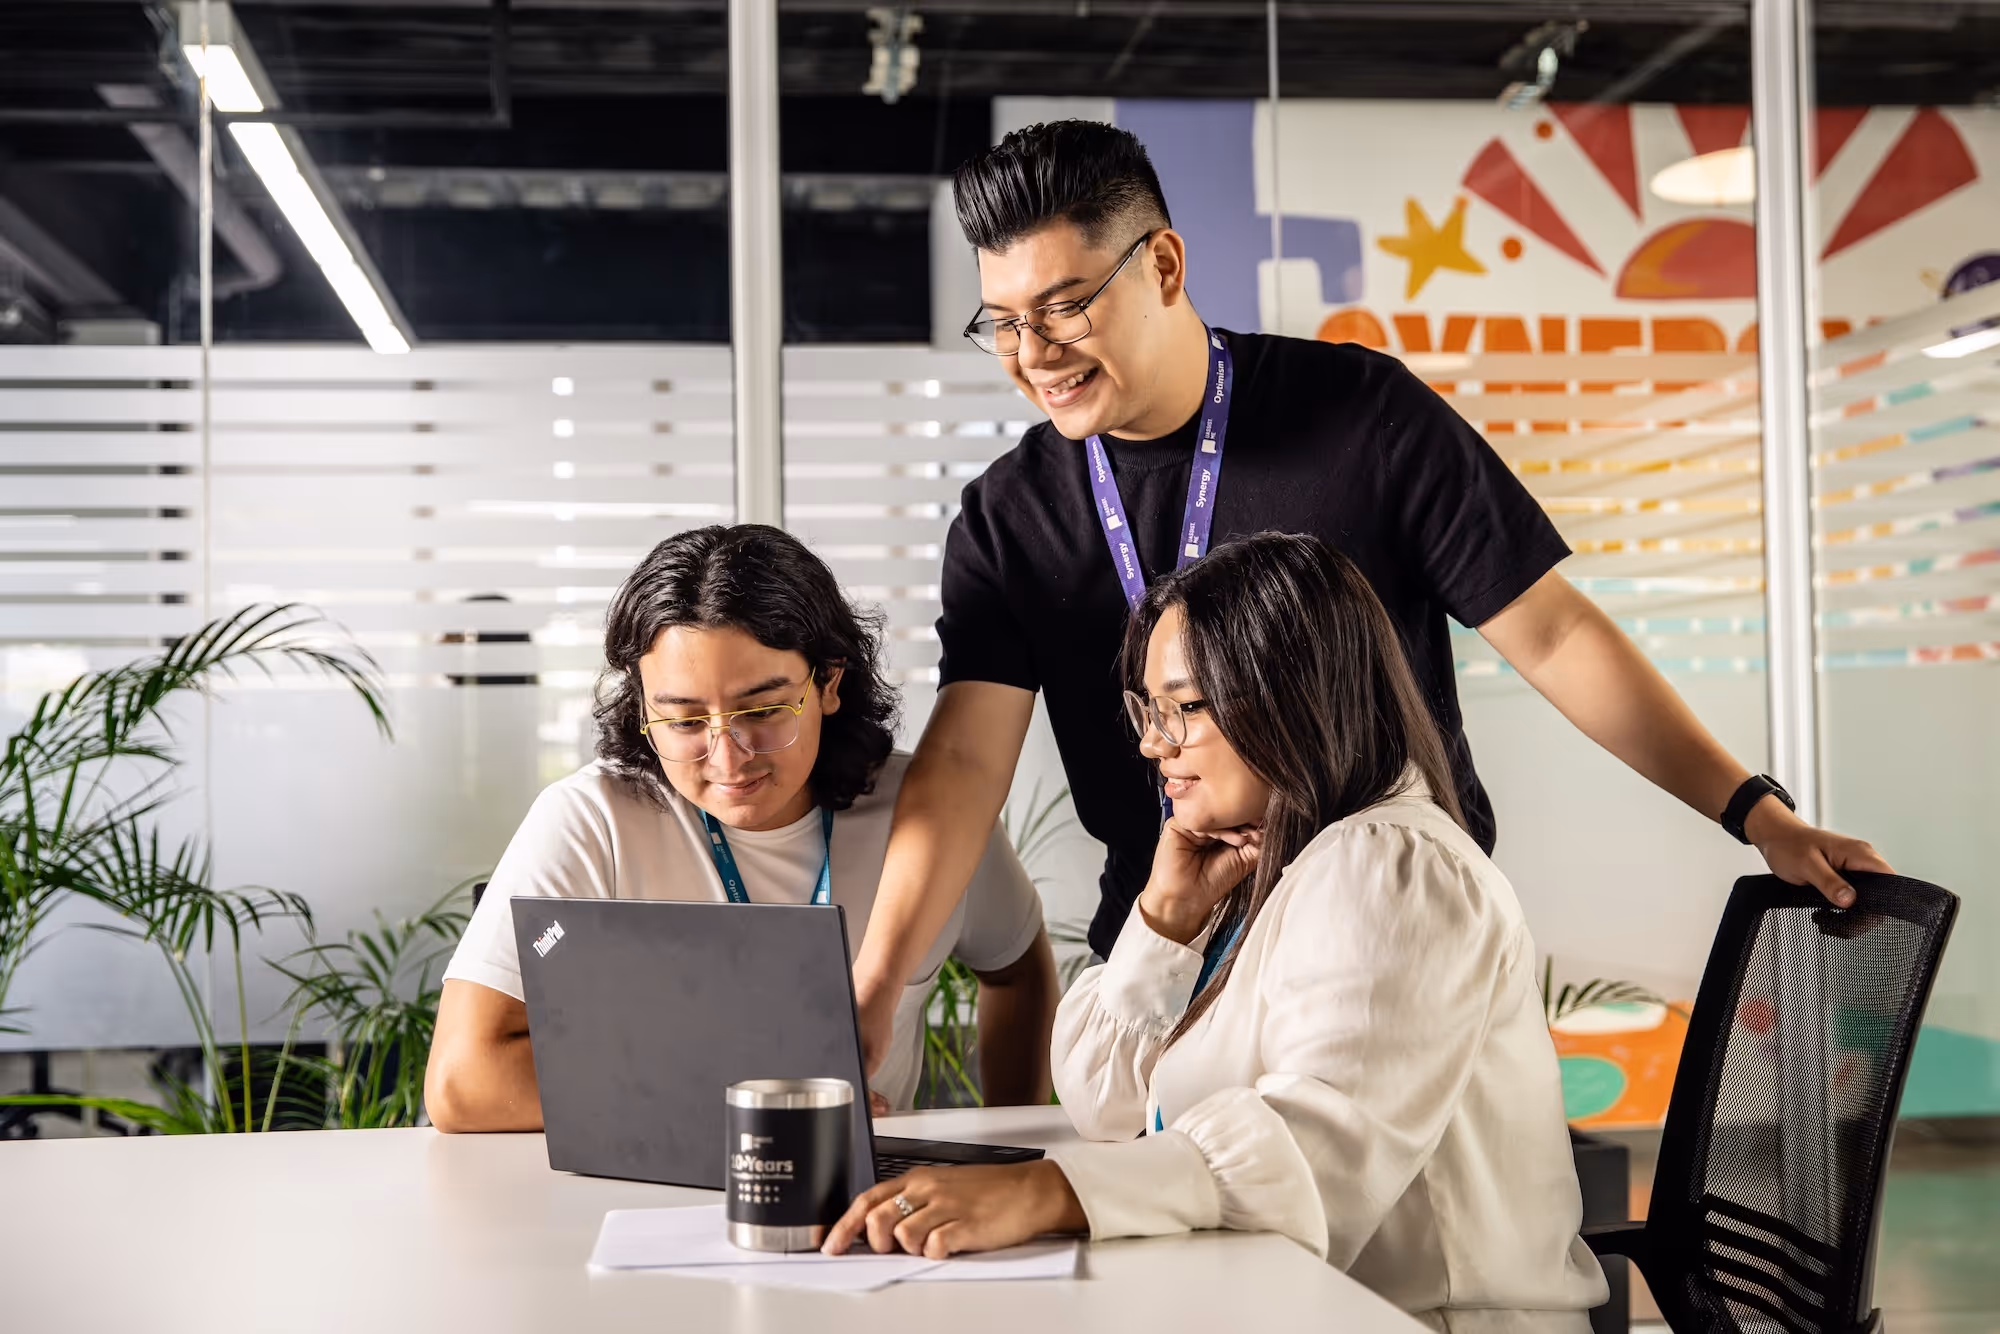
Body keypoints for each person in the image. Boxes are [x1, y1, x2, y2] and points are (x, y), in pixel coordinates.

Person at [847, 119, 1891, 1073]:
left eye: (1065, 306)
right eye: (1005, 322)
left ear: (1162, 263)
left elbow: (1555, 631)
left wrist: (1751, 809)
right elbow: (967, 758)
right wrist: (876, 983)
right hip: (1172, 948)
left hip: (1393, 935)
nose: (1033, 355)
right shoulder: (1010, 514)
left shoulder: (1360, 417)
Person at [826, 533, 1609, 1332]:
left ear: (1291, 691)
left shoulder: (1391, 864)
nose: (1151, 743)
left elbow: (1315, 1149)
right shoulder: (1270, 858)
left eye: (1183, 709)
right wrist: (1166, 916)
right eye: (1148, 709)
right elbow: (1104, 1102)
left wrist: (1048, 1191)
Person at [426, 525, 1058, 1131]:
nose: (727, 758)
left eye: (761, 711)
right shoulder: (591, 822)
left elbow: (1016, 970)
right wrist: (731, 1094)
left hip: (865, 1203)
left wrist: (1012, 1139)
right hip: (636, 1191)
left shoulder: (927, 813)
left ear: (829, 681)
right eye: (683, 721)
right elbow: (462, 1081)